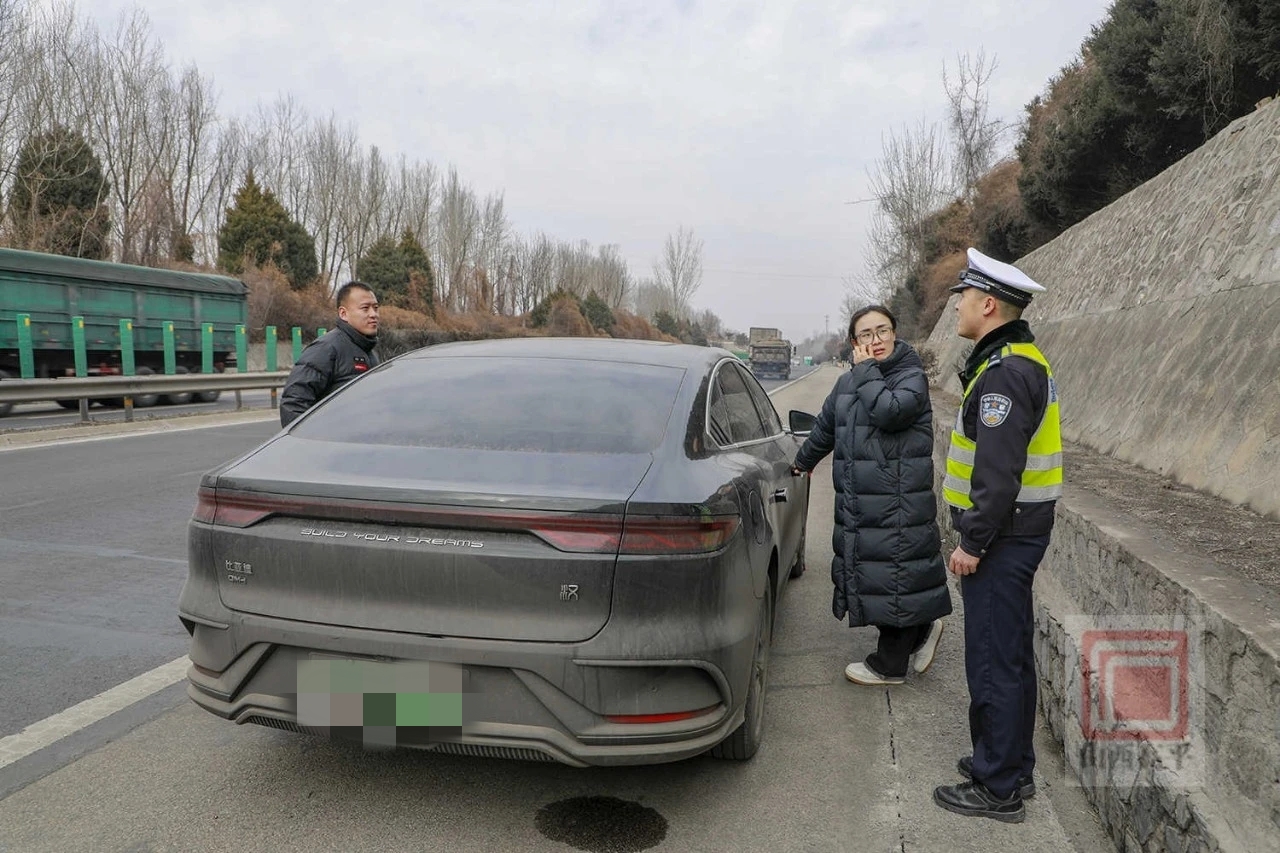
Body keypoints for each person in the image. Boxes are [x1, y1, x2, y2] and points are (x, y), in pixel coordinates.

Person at [932, 248, 1063, 824]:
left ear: (988, 305)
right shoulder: (1017, 360)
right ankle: (1012, 764)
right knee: (1008, 656)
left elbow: (997, 473)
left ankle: (998, 787)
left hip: (1001, 538)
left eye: (962, 296)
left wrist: (972, 543)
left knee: (991, 659)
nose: (956, 305)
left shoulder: (1005, 373)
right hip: (1015, 536)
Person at [791, 305, 951, 687]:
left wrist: (864, 371)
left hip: (897, 501)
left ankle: (890, 665)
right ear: (854, 342)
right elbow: (827, 427)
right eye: (866, 334)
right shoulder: (847, 384)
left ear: (895, 335)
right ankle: (923, 629)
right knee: (877, 575)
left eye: (883, 331)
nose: (876, 340)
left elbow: (889, 412)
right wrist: (803, 462)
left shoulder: (910, 375)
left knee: (894, 573)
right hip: (862, 500)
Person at [280, 281, 380, 427]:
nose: (373, 314)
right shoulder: (326, 348)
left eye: (376, 308)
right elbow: (294, 403)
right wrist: (314, 444)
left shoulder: (370, 352)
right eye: (365, 308)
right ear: (343, 313)